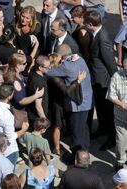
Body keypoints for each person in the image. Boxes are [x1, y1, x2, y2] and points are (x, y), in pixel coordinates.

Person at [47, 44, 93, 155]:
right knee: (84, 128)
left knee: (76, 131)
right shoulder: (80, 60)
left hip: (77, 104)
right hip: (87, 101)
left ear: (60, 56)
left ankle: (76, 156)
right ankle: (85, 150)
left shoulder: (66, 66)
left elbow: (48, 72)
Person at [86, 10, 117, 150]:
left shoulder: (103, 38)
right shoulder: (96, 33)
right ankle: (102, 128)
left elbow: (110, 62)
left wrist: (115, 80)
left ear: (91, 24)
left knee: (108, 110)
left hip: (103, 80)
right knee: (100, 107)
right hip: (96, 78)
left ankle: (112, 137)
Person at [0, 84, 29, 166]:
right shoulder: (7, 115)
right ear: (10, 96)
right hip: (8, 151)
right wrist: (23, 130)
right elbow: (10, 137)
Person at [107, 57, 127, 170]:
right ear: (123, 68)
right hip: (121, 116)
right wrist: (123, 105)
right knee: (121, 139)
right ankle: (120, 162)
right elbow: (111, 96)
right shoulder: (116, 76)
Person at [27, 56, 50, 121]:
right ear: (40, 67)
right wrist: (44, 120)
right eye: (47, 67)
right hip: (37, 117)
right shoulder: (39, 82)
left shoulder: (32, 72)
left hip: (32, 113)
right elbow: (38, 105)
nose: (49, 68)